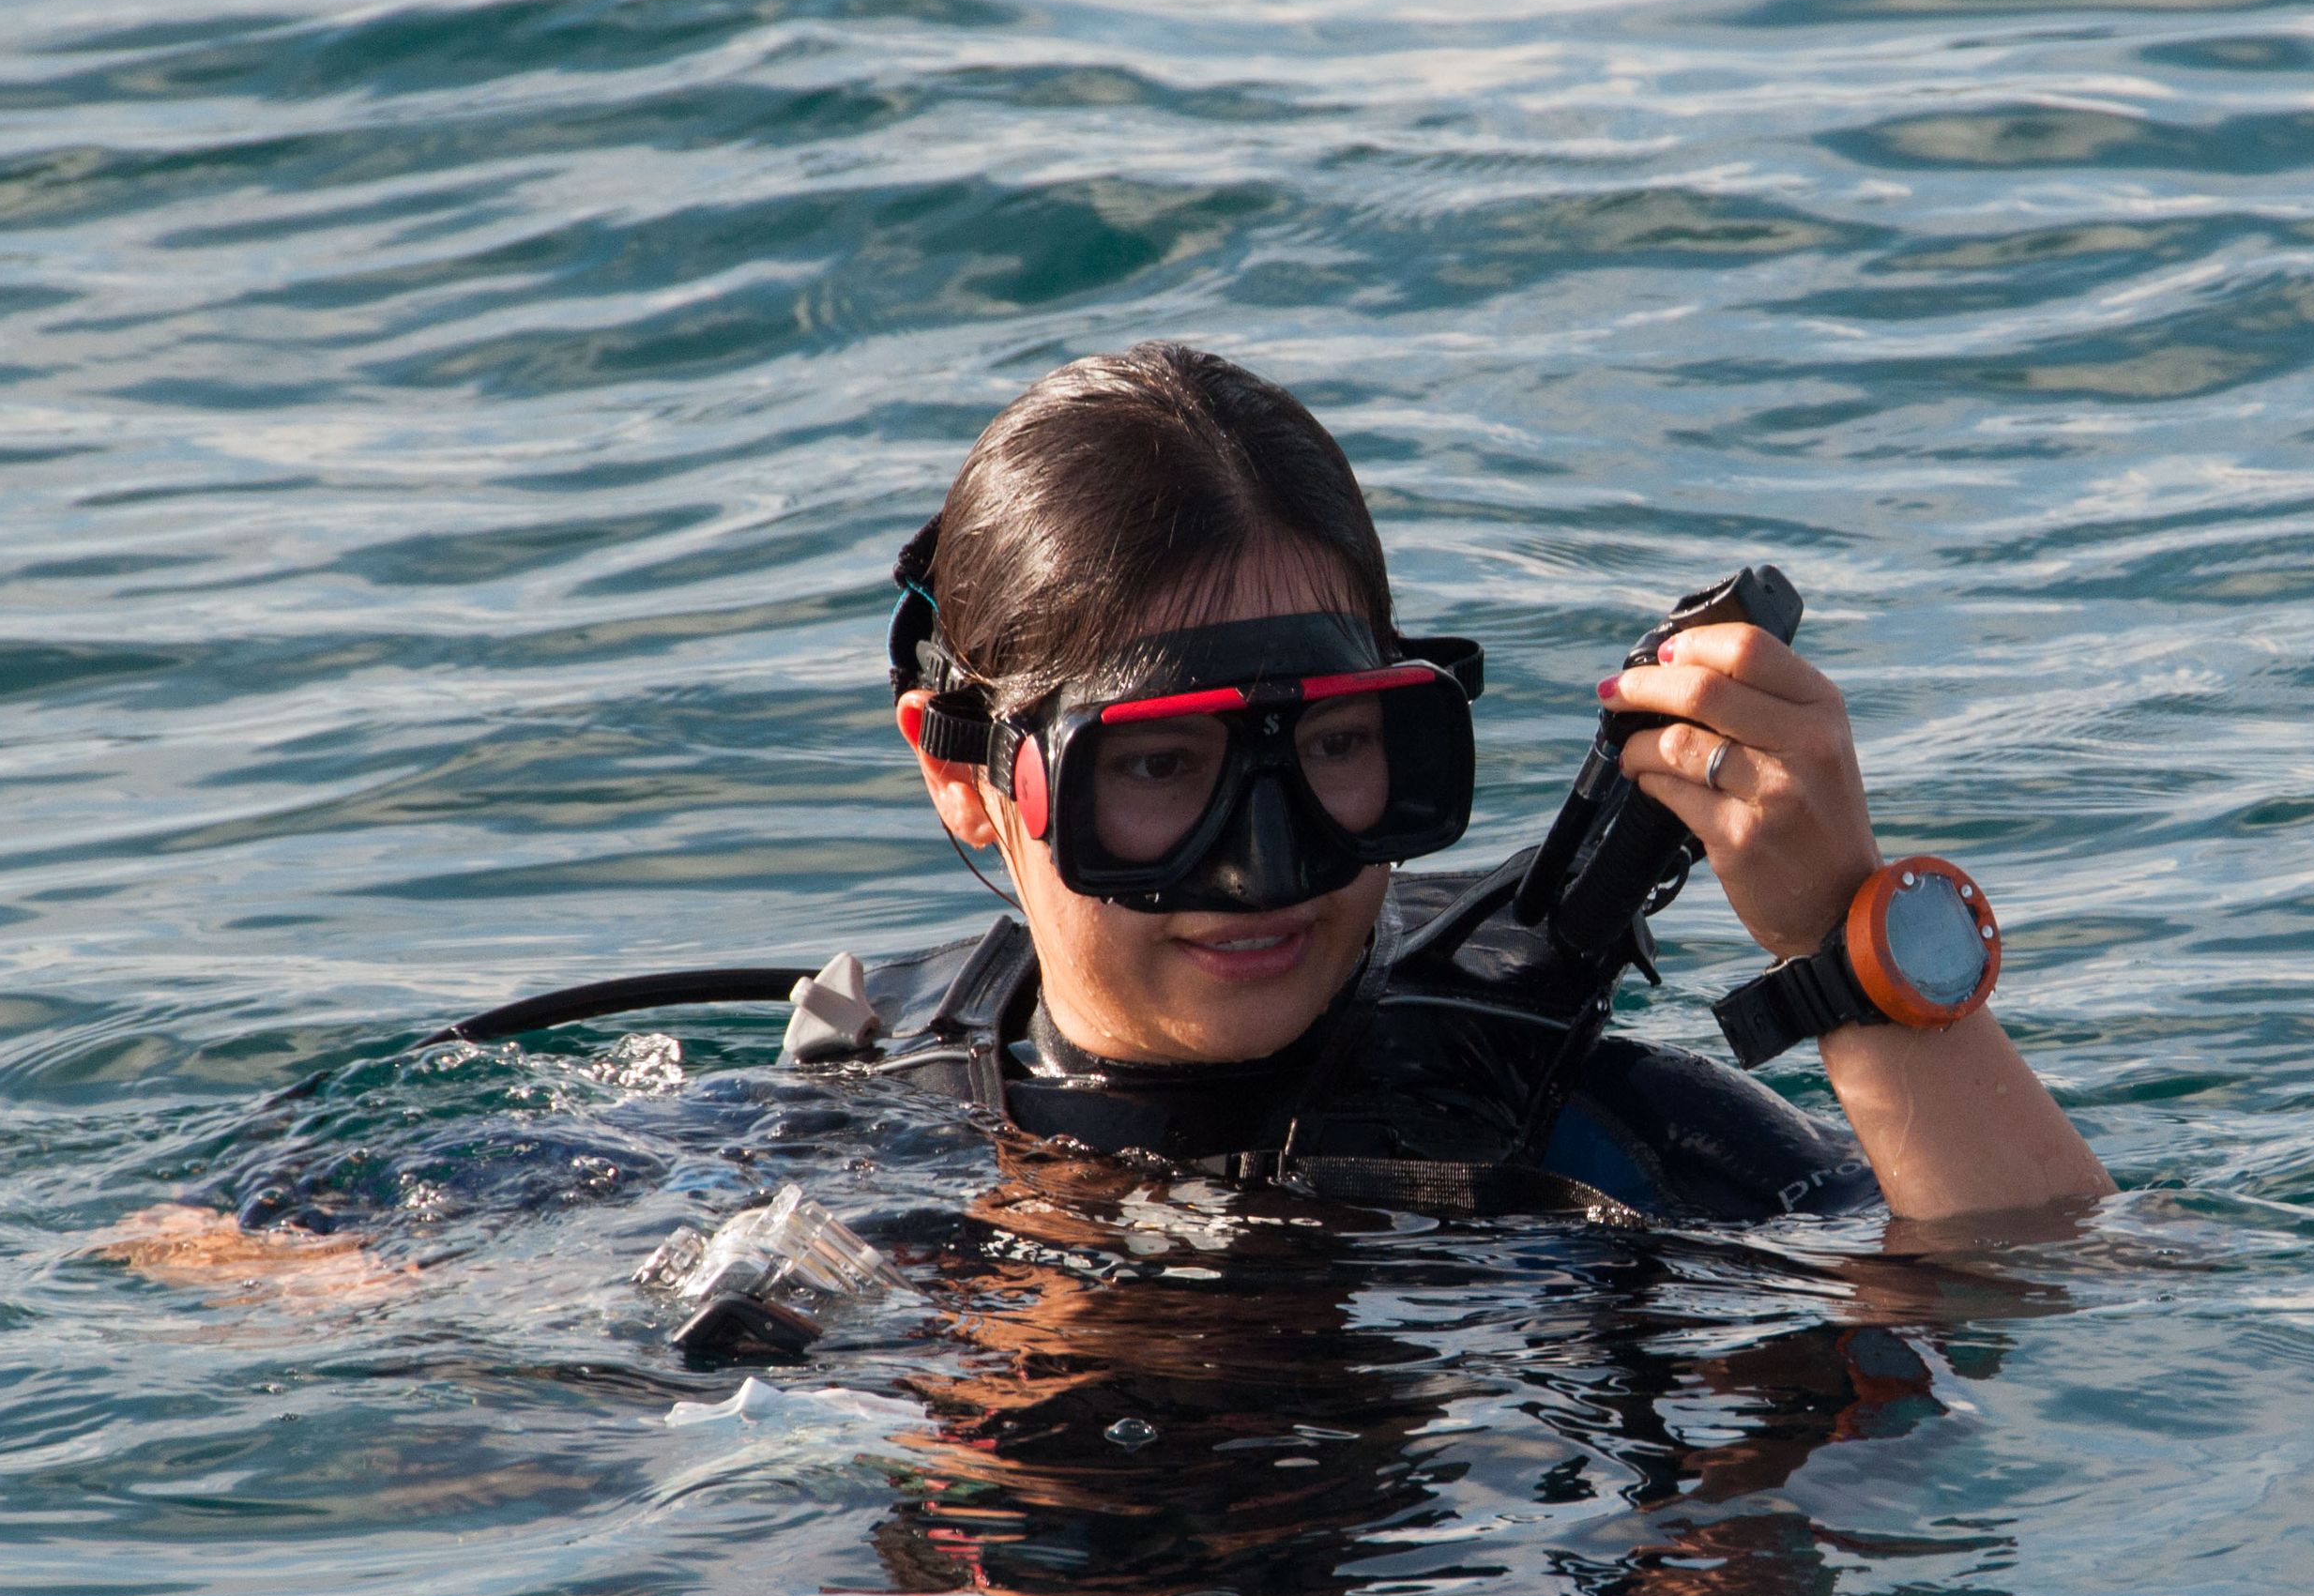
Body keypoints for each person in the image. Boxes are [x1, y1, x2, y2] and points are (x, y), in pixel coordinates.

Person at [842, 341, 2108, 1227]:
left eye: (1335, 746)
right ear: (965, 778)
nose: (1267, 868)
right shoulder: (854, 1131)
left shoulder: (1585, 1141)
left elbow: (2046, 1291)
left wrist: (1846, 944)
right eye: (1162, 766)